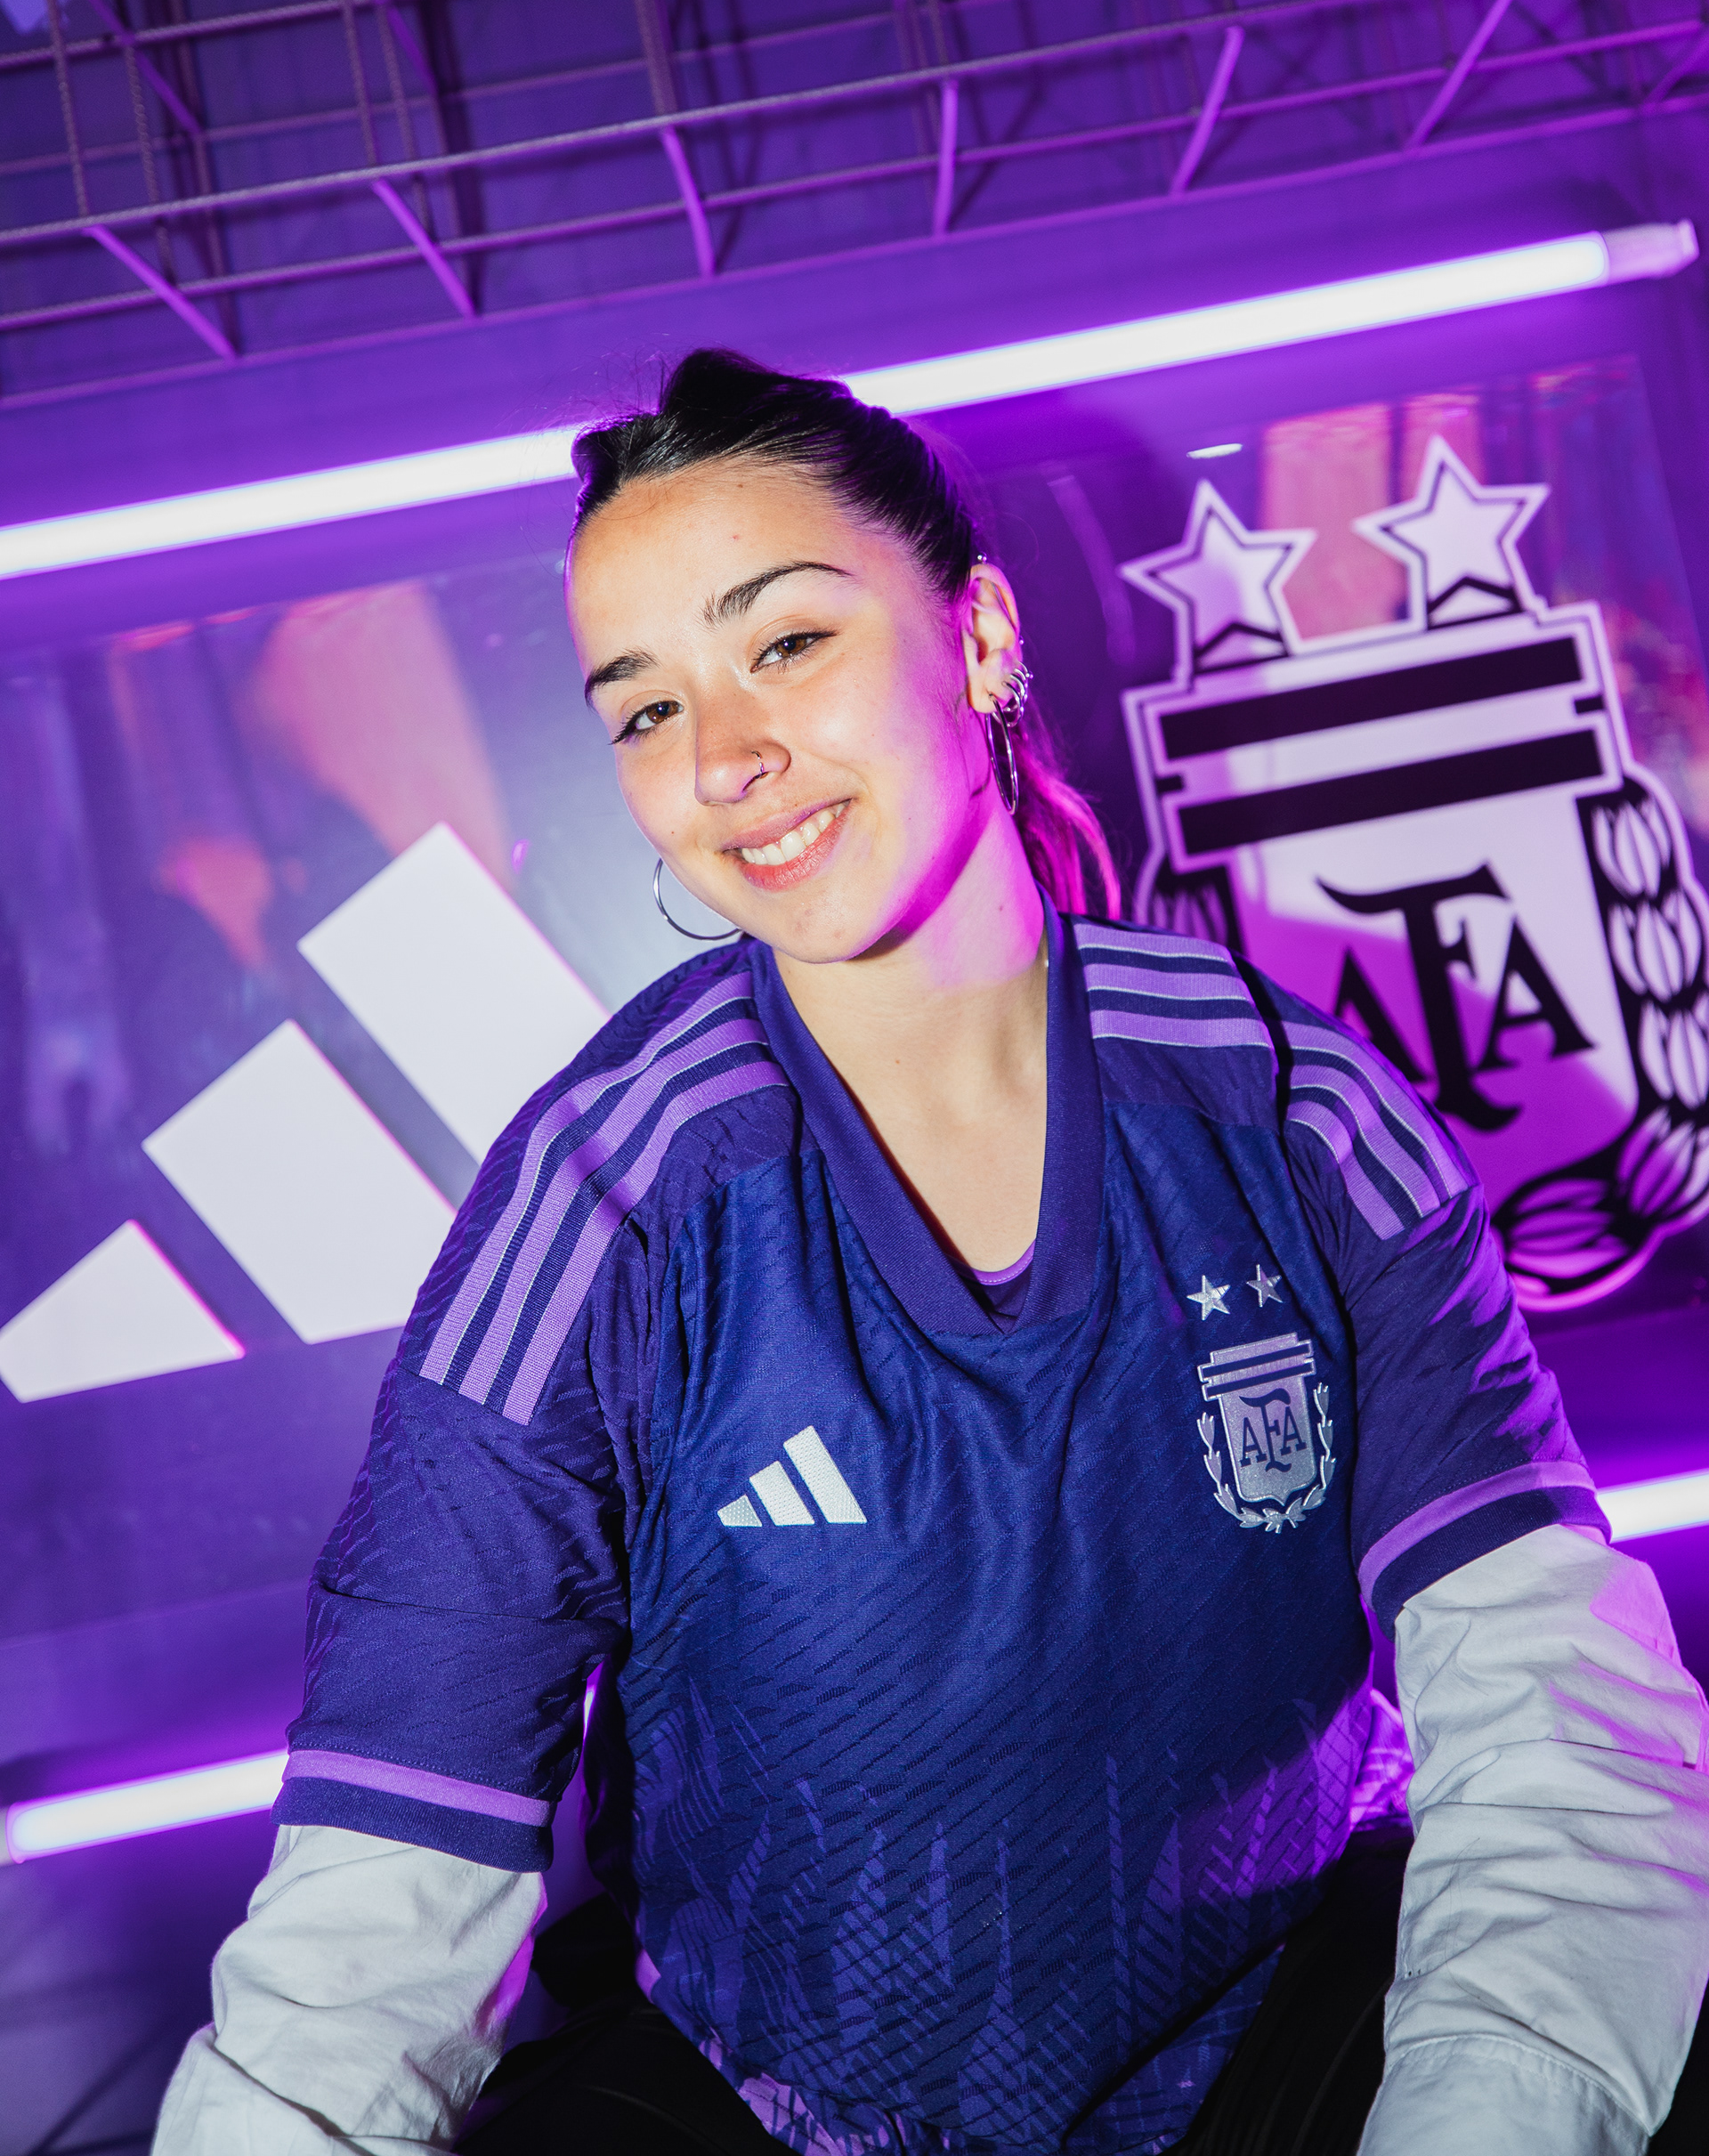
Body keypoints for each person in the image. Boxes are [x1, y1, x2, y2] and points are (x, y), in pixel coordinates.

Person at [155, 351, 1709, 2156]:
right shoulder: (600, 1206)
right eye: (644, 709)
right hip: (772, 2111)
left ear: (976, 635)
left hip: (1285, 2044)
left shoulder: (1297, 1114)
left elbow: (1559, 1725)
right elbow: (369, 1928)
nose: (722, 759)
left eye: (786, 642)